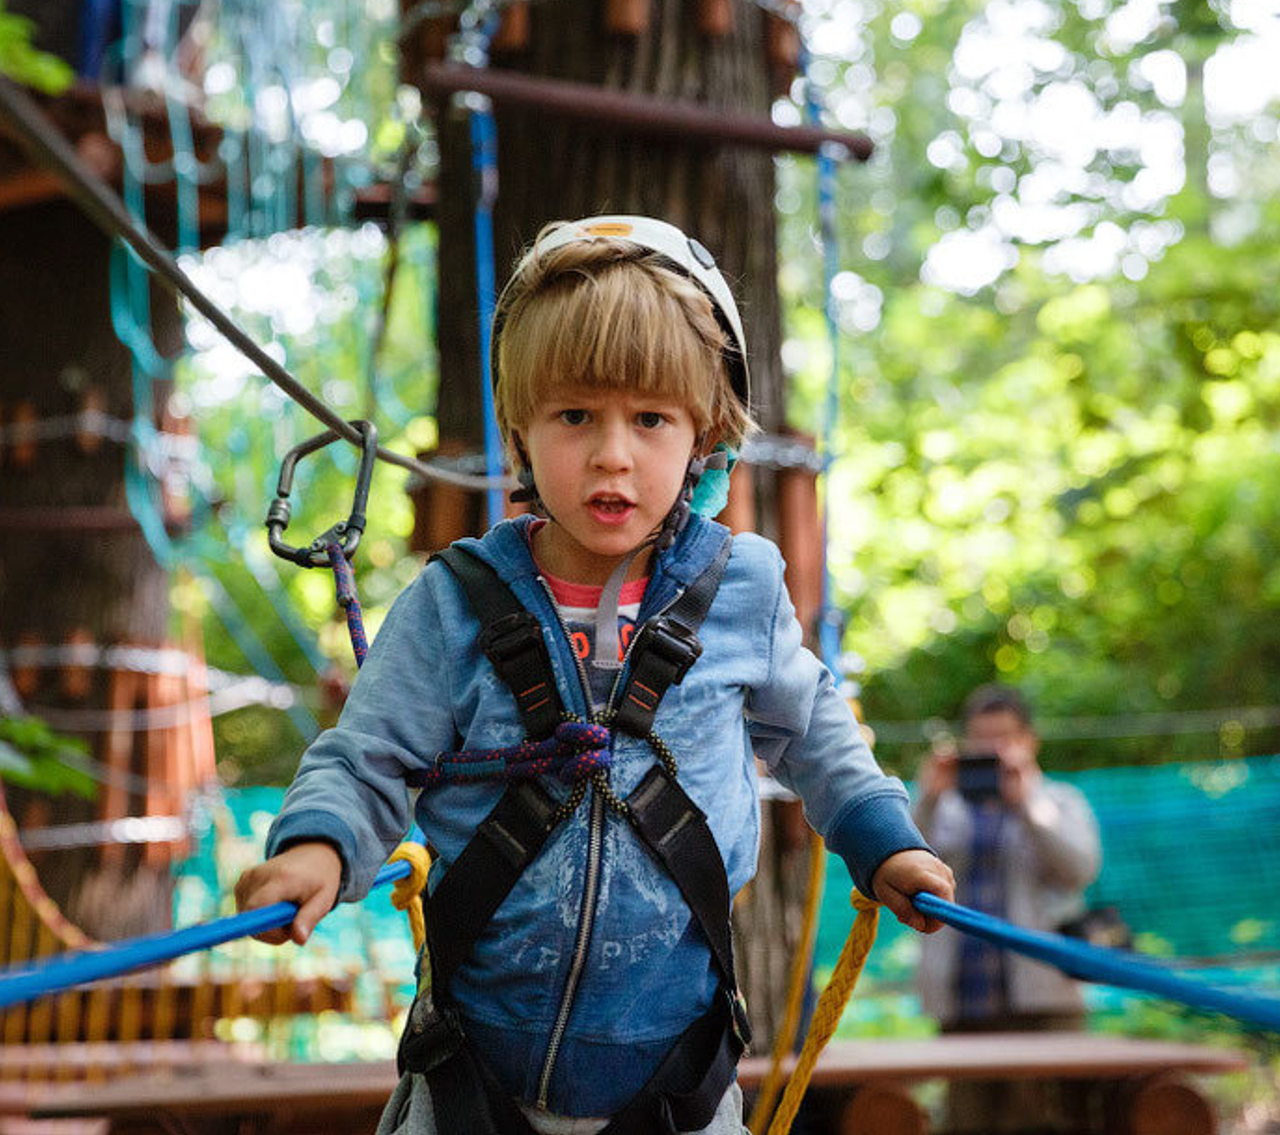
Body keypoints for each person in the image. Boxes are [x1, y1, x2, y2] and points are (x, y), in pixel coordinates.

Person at [235, 214, 955, 1135]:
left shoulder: (738, 592)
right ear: (522, 431)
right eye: (576, 415)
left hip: (673, 1083)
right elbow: (369, 756)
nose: (614, 453)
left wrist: (882, 839)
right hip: (471, 1078)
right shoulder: (456, 602)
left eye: (650, 419)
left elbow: (816, 733)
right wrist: (318, 849)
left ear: (705, 437)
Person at [914, 682, 1102, 1133]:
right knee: (968, 1124)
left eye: (1004, 737)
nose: (992, 748)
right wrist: (929, 796)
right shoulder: (948, 808)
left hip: (1043, 1002)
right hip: (963, 1004)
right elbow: (905, 862)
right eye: (981, 738)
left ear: (1028, 741)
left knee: (1044, 1123)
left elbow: (1080, 869)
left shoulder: (1058, 800)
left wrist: (1027, 804)